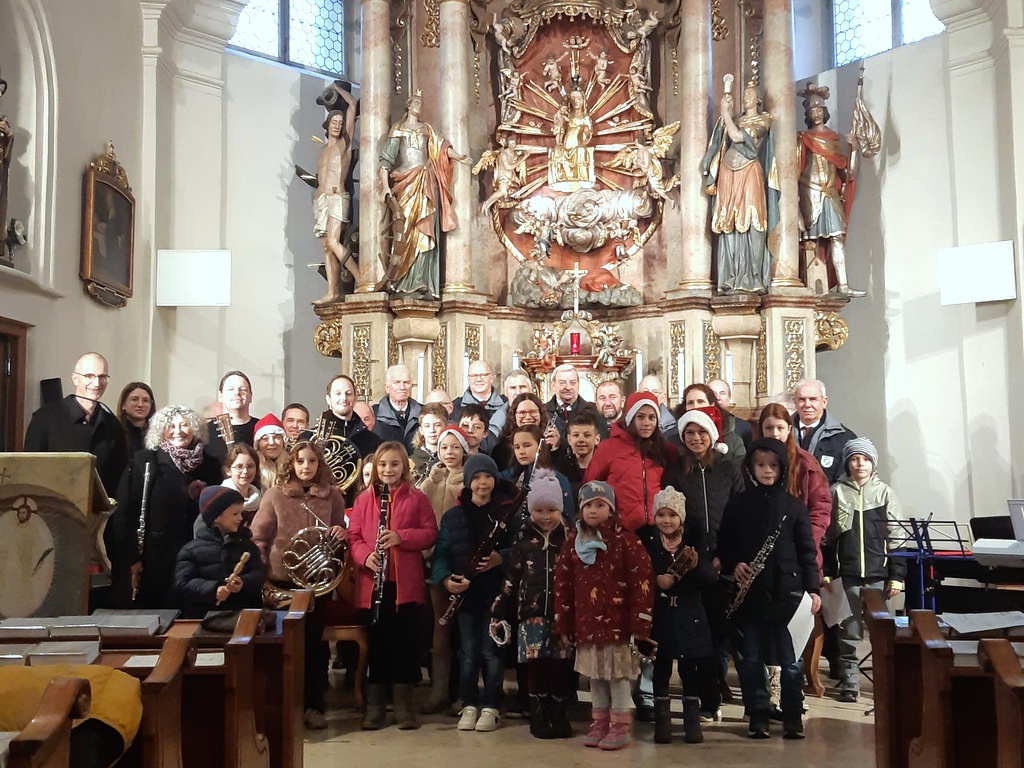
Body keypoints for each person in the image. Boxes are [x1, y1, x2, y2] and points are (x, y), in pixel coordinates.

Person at [717, 439, 821, 739]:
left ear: (782, 468)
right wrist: (734, 564)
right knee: (750, 660)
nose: (766, 471)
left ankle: (792, 716)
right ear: (749, 467)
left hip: (788, 594)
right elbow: (726, 542)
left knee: (791, 662)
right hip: (751, 595)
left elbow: (807, 551)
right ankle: (758, 714)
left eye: (773, 465)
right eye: (760, 465)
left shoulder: (794, 506)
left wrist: (813, 589)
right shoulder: (738, 503)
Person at [251, 441, 347, 730]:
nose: (306, 467)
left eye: (312, 462)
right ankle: (283, 705)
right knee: (284, 645)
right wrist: (262, 573)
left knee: (315, 647)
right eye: (300, 461)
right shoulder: (275, 495)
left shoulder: (333, 496)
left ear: (320, 464)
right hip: (283, 581)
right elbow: (259, 536)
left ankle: (314, 705)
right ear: (291, 464)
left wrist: (340, 532)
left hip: (318, 583)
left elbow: (338, 531)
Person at [552, 481, 654, 750]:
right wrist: (563, 622)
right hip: (587, 625)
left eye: (600, 505)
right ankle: (599, 721)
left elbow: (641, 582)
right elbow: (562, 584)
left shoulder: (626, 542)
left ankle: (620, 723)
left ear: (611, 509)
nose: (594, 511)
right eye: (588, 506)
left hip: (618, 626)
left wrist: (640, 623)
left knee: (618, 676)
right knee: (595, 676)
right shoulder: (573, 543)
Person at [348, 442, 438, 730]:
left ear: (404, 467)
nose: (388, 470)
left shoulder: (417, 498)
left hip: (404, 586)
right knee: (378, 644)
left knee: (404, 645)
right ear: (375, 468)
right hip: (372, 584)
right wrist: (365, 556)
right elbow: (354, 538)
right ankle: (375, 708)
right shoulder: (364, 500)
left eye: (395, 464)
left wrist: (402, 537)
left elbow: (430, 533)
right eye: (383, 465)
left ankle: (403, 707)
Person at [662, 405, 744, 715]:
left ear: (711, 435)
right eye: (689, 433)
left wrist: (727, 554)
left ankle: (716, 687)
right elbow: (672, 516)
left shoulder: (727, 469)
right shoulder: (676, 470)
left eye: (700, 432)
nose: (695, 438)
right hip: (691, 559)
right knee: (695, 633)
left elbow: (737, 513)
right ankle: (696, 693)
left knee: (718, 630)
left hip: (722, 558)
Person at [433, 453, 521, 733]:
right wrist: (446, 580)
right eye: (477, 478)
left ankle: (491, 705)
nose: (483, 483)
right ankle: (469, 703)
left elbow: (519, 550)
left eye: (488, 477)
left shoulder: (506, 514)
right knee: (469, 653)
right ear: (468, 481)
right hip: (466, 596)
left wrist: (500, 557)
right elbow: (442, 554)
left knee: (493, 653)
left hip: (496, 595)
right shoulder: (453, 516)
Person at [111, 406, 222, 609]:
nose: (178, 430)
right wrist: (130, 558)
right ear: (161, 431)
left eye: (184, 425)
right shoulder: (144, 461)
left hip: (199, 557)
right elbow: (124, 514)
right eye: (171, 426)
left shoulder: (211, 464)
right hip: (155, 559)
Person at [490, 469, 572, 739]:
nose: (546, 516)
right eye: (539, 510)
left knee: (560, 666)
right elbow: (511, 575)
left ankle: (558, 711)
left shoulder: (570, 541)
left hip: (562, 616)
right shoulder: (523, 539)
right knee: (536, 665)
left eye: (551, 510)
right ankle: (538, 712)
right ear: (530, 511)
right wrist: (500, 605)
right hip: (531, 615)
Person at [826, 437, 905, 703]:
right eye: (854, 459)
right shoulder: (837, 491)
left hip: (878, 575)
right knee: (848, 629)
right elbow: (829, 537)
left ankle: (883, 679)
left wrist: (897, 576)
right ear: (847, 462)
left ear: (873, 463)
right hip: (847, 574)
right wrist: (828, 570)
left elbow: (897, 537)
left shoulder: (885, 493)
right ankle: (849, 679)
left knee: (880, 630)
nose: (860, 464)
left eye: (865, 459)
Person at [637, 487, 715, 744]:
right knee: (659, 667)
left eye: (672, 514)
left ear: (681, 517)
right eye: (661, 514)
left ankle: (691, 721)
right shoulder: (647, 542)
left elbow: (709, 579)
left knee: (690, 669)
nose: (666, 520)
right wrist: (655, 580)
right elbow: (636, 574)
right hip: (660, 616)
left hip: (689, 614)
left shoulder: (694, 542)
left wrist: (694, 568)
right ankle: (663, 722)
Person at [380, 90, 463, 299]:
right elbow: (386, 160)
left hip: (426, 184)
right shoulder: (397, 129)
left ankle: (423, 281)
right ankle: (403, 281)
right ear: (408, 106)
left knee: (425, 231)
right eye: (415, 102)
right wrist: (384, 186)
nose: (419, 105)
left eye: (421, 102)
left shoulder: (427, 130)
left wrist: (458, 156)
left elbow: (441, 149)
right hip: (407, 184)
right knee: (406, 229)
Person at [700, 79, 779, 294]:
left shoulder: (764, 121)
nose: (746, 98)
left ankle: (752, 278)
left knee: (752, 223)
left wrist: (724, 112)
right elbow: (723, 139)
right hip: (728, 174)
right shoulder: (735, 119)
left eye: (750, 94)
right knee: (729, 226)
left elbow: (738, 138)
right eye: (744, 94)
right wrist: (725, 119)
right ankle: (730, 278)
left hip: (749, 173)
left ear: (758, 99)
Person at [416, 425, 468, 713]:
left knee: (462, 630)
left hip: (460, 560)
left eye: (455, 448)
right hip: (433, 561)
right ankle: (439, 690)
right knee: (440, 627)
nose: (449, 453)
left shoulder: (470, 480)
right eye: (445, 447)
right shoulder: (429, 482)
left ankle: (462, 690)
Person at [24, 352, 128, 495]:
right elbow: (29, 471)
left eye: (102, 377)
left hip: (100, 514)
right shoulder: (44, 419)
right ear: (75, 379)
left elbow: (118, 479)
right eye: (89, 376)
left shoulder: (113, 426)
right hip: (54, 511)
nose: (97, 383)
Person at [797, 81, 866, 296]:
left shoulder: (834, 140)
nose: (815, 114)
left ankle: (843, 285)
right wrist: (796, 208)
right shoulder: (804, 139)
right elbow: (795, 172)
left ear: (824, 111)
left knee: (836, 237)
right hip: (811, 192)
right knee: (813, 241)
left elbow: (848, 174)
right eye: (811, 110)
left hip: (830, 194)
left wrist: (854, 150)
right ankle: (815, 287)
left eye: (818, 109)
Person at [584, 393, 677, 533]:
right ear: (630, 418)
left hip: (658, 530)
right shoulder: (608, 448)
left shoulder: (665, 450)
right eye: (640, 417)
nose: (646, 423)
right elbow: (591, 486)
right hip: (621, 531)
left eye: (652, 417)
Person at [174, 486, 264, 618]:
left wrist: (243, 583)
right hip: (206, 618)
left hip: (243, 617)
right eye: (235, 514)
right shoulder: (191, 551)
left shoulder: (246, 546)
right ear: (216, 517)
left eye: (241, 513)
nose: (240, 519)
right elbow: (183, 583)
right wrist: (213, 590)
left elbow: (259, 574)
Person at [311, 85, 358, 306]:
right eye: (334, 123)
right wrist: (317, 196)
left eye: (340, 123)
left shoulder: (345, 145)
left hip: (339, 196)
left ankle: (361, 278)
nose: (338, 126)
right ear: (327, 126)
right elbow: (320, 178)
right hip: (322, 200)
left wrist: (337, 89)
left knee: (333, 240)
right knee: (326, 247)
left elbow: (352, 105)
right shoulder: (321, 151)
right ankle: (333, 291)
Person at [502, 424, 574, 523]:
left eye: (527, 445)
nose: (521, 451)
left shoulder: (555, 478)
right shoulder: (511, 477)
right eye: (517, 447)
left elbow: (568, 517)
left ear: (540, 447)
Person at [792, 379, 856, 485]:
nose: (807, 404)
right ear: (795, 402)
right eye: (802, 399)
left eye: (813, 399)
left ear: (824, 402)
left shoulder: (844, 439)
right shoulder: (782, 433)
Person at [676, 383, 745, 465]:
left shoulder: (733, 441)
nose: (695, 407)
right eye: (690, 403)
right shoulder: (674, 439)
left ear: (712, 405)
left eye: (700, 401)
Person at [319, 375, 383, 460]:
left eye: (348, 393)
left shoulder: (372, 440)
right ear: (328, 399)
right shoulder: (312, 437)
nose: (344, 398)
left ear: (355, 398)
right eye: (338, 393)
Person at [452, 361, 508, 453]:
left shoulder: (506, 405)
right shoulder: (455, 407)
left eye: (483, 375)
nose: (478, 379)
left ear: (491, 378)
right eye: (474, 376)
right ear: (468, 379)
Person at [492, 392, 554, 470]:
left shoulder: (553, 442)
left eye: (533, 412)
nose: (528, 417)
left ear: (541, 414)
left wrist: (557, 448)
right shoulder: (501, 450)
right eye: (522, 413)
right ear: (514, 416)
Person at [546, 363, 608, 440]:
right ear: (553, 386)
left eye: (573, 383)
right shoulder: (543, 411)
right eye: (562, 383)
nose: (568, 387)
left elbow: (603, 441)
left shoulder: (594, 411)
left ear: (578, 385)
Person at [205, 371, 258, 460]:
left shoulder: (262, 428)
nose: (237, 393)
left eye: (243, 389)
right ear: (220, 396)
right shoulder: (205, 432)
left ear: (250, 396)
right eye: (230, 389)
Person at [372, 365, 421, 453]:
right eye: (397, 382)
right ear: (387, 387)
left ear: (411, 386)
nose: (402, 387)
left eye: (406, 382)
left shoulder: (423, 413)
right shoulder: (373, 414)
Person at [555, 409, 602, 495]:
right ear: (569, 439)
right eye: (576, 435)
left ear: (597, 439)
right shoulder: (560, 468)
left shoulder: (603, 468)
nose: (581, 440)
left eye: (587, 435)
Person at [219, 443, 262, 524]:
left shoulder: (259, 498)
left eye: (250, 466)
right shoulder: (221, 499)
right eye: (239, 467)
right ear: (228, 471)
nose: (245, 471)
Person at [708, 378, 753, 450]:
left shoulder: (743, 427)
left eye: (722, 393)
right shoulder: (698, 425)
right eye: (713, 394)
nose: (717, 397)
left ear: (729, 398)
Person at [410, 402, 448, 483]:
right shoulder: (411, 462)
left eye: (437, 425)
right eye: (427, 426)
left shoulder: (451, 459)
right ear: (421, 430)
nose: (432, 430)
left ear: (446, 427)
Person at [116, 381, 156, 456]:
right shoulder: (115, 433)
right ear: (123, 405)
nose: (140, 405)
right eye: (134, 399)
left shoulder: (158, 435)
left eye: (145, 400)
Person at [253, 413, 287, 490]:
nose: (272, 443)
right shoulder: (253, 469)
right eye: (265, 439)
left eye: (277, 438)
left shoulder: (292, 466)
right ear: (258, 444)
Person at [639, 374, 677, 438]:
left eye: (655, 392)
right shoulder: (629, 423)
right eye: (645, 391)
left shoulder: (674, 425)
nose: (650, 395)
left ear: (662, 398)